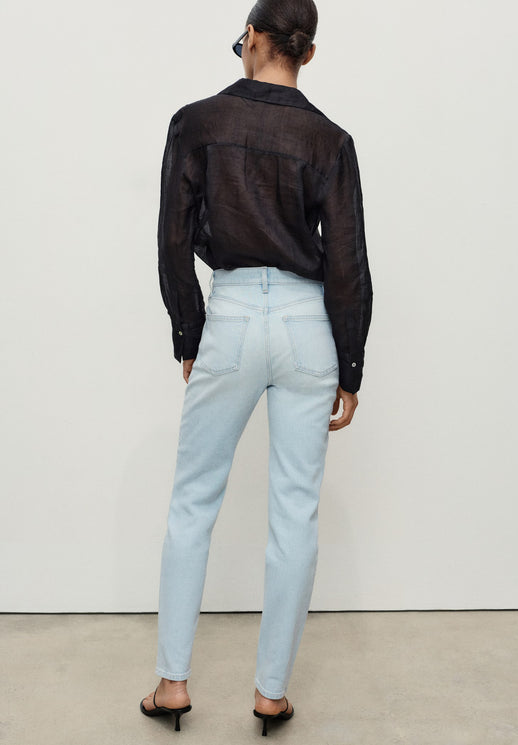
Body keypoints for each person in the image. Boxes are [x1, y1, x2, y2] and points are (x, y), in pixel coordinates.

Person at [140, 0, 373, 735]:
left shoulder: (196, 123)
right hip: (307, 326)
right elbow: (348, 261)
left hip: (234, 315)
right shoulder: (329, 140)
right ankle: (271, 695)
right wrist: (350, 363)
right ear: (308, 53)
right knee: (295, 510)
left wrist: (190, 332)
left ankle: (172, 684)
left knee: (192, 501)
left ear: (250, 38)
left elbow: (172, 240)